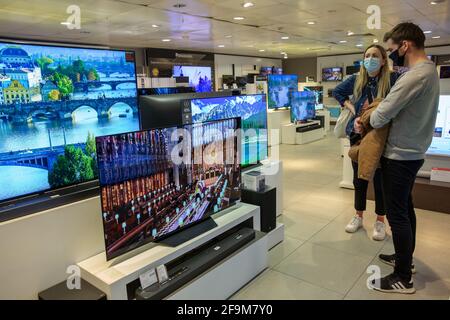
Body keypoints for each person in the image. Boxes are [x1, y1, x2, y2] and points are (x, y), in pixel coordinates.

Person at [367, 23, 440, 294]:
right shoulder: (430, 70)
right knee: (405, 209)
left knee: (397, 214)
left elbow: (379, 116)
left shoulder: (414, 76)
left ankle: (402, 277)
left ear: (405, 45)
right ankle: (404, 260)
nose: (390, 55)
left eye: (391, 49)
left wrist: (376, 111)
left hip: (400, 155)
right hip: (413, 152)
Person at [333, 44, 398, 241]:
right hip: (358, 135)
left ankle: (380, 220)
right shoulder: (356, 79)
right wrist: (351, 107)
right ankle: (358, 216)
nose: (370, 59)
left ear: (384, 60)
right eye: (367, 55)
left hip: (380, 137)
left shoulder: (392, 79)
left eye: (375, 55)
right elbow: (337, 92)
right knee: (359, 179)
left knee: (379, 181)